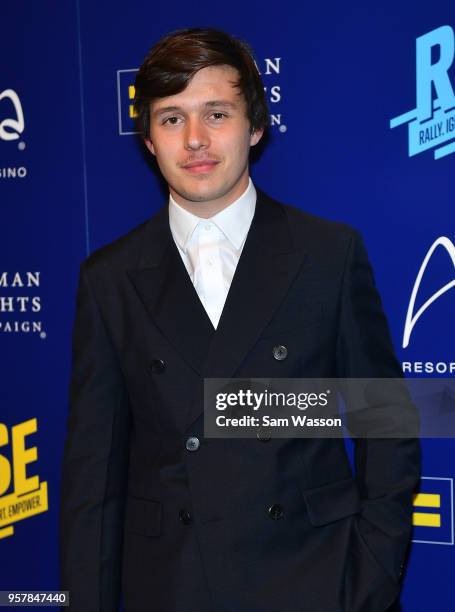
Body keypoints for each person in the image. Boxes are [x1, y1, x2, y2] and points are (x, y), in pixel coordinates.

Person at [60, 27, 421, 612]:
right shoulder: (109, 278)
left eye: (217, 113)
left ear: (254, 127)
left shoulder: (328, 254)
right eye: (172, 118)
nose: (196, 140)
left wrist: (368, 582)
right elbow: (91, 478)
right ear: (148, 139)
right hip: (172, 586)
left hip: (316, 579)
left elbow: (387, 425)